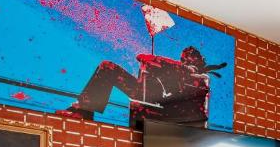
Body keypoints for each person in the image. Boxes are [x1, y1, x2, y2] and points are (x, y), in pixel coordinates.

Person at [61, 46, 227, 126]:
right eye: (184, 59)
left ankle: (83, 112)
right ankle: (83, 111)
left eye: (189, 59)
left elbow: (180, 70)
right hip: (150, 99)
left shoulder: (200, 78)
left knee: (115, 67)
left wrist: (152, 60)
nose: (184, 61)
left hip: (161, 110)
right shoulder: (179, 70)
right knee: (107, 67)